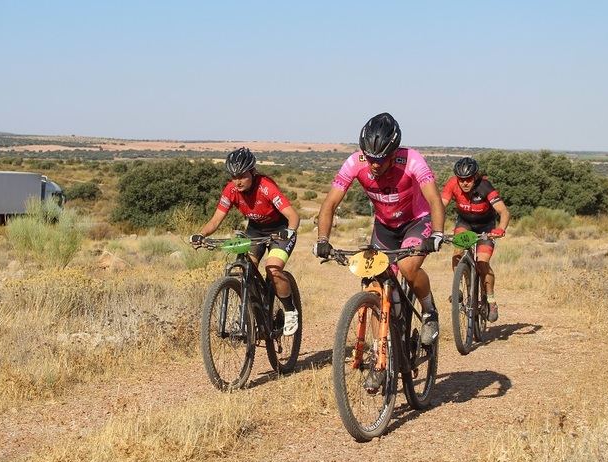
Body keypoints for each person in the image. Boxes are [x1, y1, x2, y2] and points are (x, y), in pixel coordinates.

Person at [314, 112, 445, 346]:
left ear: (394, 152)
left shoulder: (413, 160)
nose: (375, 164)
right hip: (385, 227)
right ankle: (379, 353)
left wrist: (436, 233)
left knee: (407, 267)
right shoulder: (355, 163)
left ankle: (428, 310)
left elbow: (435, 200)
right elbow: (330, 203)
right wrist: (322, 239)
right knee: (374, 284)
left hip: (416, 222)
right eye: (370, 157)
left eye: (382, 158)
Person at [190, 147, 301, 335]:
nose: (237, 181)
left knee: (273, 269)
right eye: (233, 176)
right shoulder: (231, 190)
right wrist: (201, 235)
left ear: (253, 172)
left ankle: (290, 310)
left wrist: (289, 231)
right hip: (255, 231)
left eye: (242, 175)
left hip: (279, 230)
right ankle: (252, 314)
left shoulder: (266, 186)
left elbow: (293, 215)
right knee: (246, 270)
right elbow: (216, 220)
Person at [441, 157, 510, 322]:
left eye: (468, 179)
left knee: (482, 263)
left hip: (486, 226)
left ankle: (491, 299)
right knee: (458, 250)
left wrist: (500, 229)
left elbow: (504, 212)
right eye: (461, 180)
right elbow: (439, 206)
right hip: (465, 223)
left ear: (475, 177)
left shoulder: (485, 186)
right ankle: (463, 285)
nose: (464, 183)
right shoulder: (452, 184)